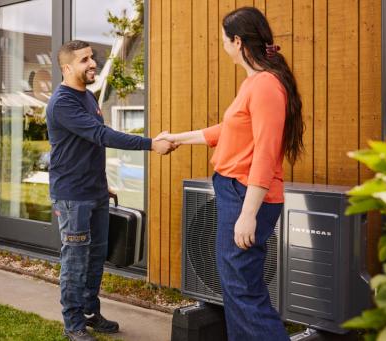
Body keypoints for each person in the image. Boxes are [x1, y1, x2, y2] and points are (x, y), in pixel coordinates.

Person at [156, 7, 304, 341]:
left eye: (223, 40)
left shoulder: (265, 85)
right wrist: (177, 138)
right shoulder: (254, 83)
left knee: (243, 290)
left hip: (245, 195)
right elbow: (229, 130)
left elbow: (266, 152)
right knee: (236, 287)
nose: (222, 46)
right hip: (235, 192)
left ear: (238, 42)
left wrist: (248, 214)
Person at [46, 40, 176, 341]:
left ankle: (90, 312)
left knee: (95, 257)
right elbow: (101, 135)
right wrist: (151, 144)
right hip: (73, 198)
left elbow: (87, 148)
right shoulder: (62, 103)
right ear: (67, 68)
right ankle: (73, 324)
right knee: (75, 261)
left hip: (95, 192)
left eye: (92, 57)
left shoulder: (88, 97)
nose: (93, 63)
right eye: (84, 60)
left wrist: (103, 183)